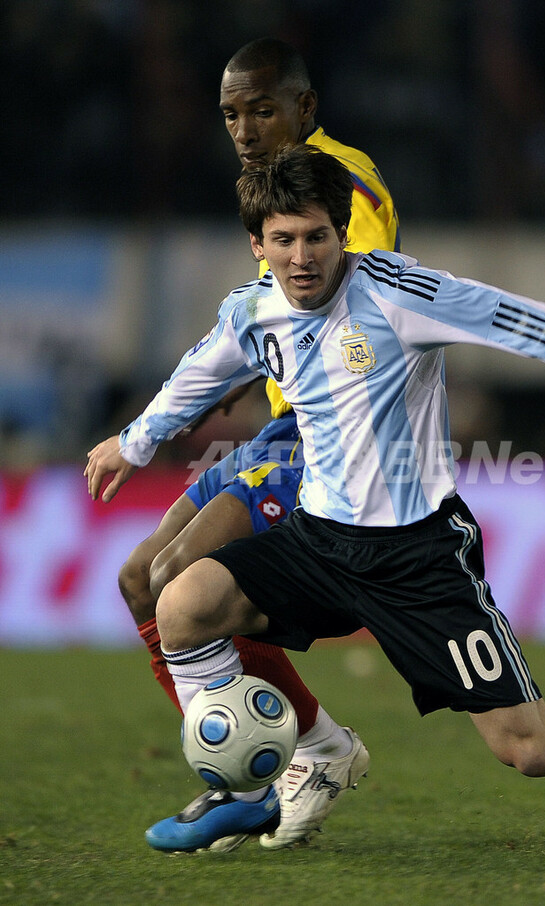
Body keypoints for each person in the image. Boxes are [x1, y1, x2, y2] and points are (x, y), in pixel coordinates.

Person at [86, 144, 545, 856]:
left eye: (317, 236)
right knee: (182, 604)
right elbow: (198, 375)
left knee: (527, 745)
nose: (301, 257)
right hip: (319, 541)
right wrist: (132, 444)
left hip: (417, 558)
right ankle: (250, 790)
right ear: (257, 244)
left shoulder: (396, 293)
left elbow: (528, 324)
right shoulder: (253, 311)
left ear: (342, 233)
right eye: (283, 240)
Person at [94, 38, 399, 854]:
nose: (244, 127)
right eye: (231, 113)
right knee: (138, 581)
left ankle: (264, 774)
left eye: (262, 109)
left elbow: (346, 305)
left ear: (305, 108)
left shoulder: (344, 185)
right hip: (277, 426)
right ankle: (299, 752)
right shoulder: (268, 189)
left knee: (176, 580)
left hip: (329, 434)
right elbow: (273, 317)